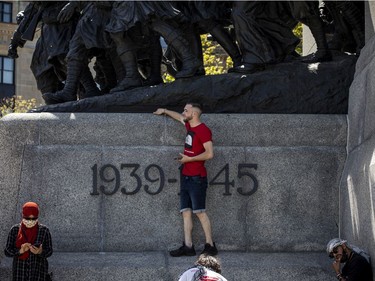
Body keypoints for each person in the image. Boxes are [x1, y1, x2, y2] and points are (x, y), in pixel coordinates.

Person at [153, 103, 218, 257]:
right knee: (186, 212)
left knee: (200, 212)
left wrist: (189, 159)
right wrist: (165, 110)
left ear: (194, 114)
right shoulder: (190, 126)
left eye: (186, 110)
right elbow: (178, 117)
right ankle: (188, 246)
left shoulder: (203, 130)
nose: (183, 113)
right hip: (186, 176)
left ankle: (210, 245)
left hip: (197, 178)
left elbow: (209, 154)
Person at [4, 202, 53, 281]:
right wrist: (20, 251)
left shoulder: (44, 231)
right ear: (23, 216)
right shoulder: (15, 230)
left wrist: (40, 252)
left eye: (33, 218)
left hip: (38, 273)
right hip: (20, 274)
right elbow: (7, 251)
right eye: (27, 218)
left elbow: (50, 251)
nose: (30, 221)